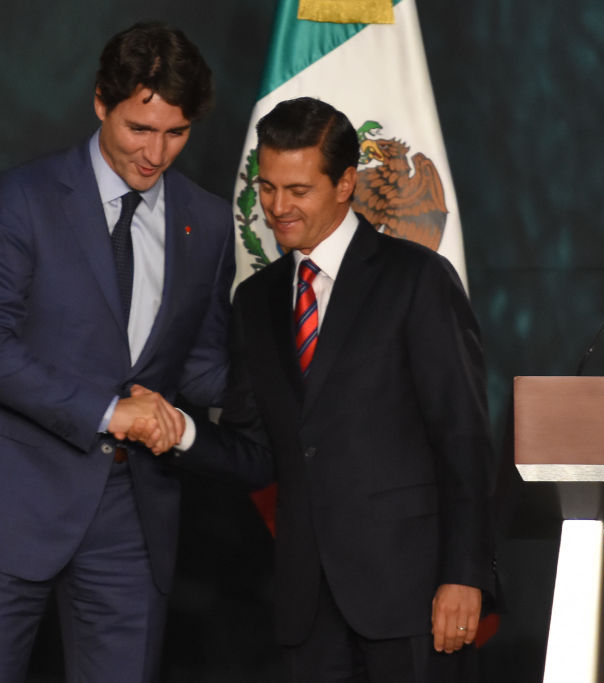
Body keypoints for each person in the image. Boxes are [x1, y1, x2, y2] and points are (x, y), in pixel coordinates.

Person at [140, 96, 495, 682]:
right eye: (268, 187)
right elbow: (257, 453)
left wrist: (463, 574)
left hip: (412, 598)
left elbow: (464, 438)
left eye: (298, 190)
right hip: (307, 607)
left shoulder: (417, 279)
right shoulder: (255, 301)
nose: (278, 207)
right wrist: (181, 433)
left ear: (346, 183)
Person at [0, 22, 233, 683]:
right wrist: (106, 410)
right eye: (138, 128)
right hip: (9, 506)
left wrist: (306, 380)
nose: (155, 153)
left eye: (176, 133)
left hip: (134, 516)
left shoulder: (206, 220)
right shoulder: (23, 197)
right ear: (102, 102)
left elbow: (201, 364)